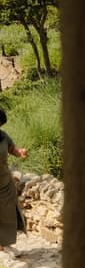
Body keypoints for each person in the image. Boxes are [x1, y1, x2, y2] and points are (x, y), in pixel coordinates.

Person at [0, 108, 28, 253]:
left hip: (4, 180)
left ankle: (4, 243)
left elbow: (12, 149)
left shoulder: (3, 136)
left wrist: (20, 152)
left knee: (7, 212)